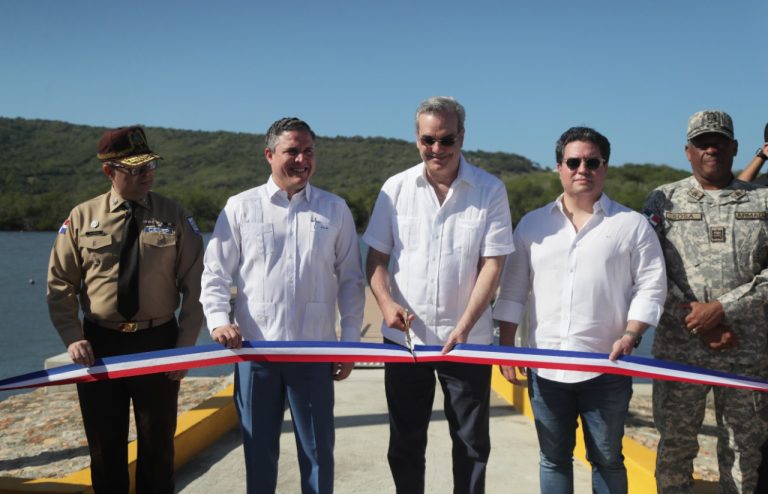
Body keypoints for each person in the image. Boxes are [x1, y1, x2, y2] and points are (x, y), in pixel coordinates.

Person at [492, 127, 667, 494]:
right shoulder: (532, 225)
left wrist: (633, 333)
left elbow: (651, 286)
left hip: (607, 365)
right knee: (553, 458)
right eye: (573, 161)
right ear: (559, 167)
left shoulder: (631, 225)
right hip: (546, 366)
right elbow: (512, 290)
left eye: (592, 161)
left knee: (606, 458)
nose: (581, 169)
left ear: (605, 167)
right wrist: (506, 347)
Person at [200, 117, 364, 494]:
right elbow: (215, 274)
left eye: (308, 151)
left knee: (319, 455)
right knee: (259, 455)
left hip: (314, 353)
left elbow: (352, 280)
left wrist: (351, 341)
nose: (302, 159)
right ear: (269, 154)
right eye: (292, 150)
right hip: (256, 354)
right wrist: (218, 321)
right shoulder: (240, 208)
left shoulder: (334, 209)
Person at [363, 96, 513, 493]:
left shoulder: (490, 190)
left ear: (462, 137)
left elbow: (492, 266)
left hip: (467, 341)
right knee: (406, 442)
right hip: (405, 340)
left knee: (471, 445)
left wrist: (464, 326)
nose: (437, 149)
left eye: (447, 140)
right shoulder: (394, 189)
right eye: (429, 140)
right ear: (417, 139)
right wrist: (386, 303)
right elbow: (376, 258)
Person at [47, 126, 205, 494]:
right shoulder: (82, 218)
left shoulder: (174, 215)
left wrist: (184, 346)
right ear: (109, 171)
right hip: (100, 345)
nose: (147, 174)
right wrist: (72, 338)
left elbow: (195, 287)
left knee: (158, 447)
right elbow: (59, 284)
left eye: (150, 166)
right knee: (105, 450)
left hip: (159, 342)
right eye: (136, 169)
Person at [644, 110, 768, 493]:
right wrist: (698, 321)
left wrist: (723, 310)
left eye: (718, 141)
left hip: (745, 348)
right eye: (701, 143)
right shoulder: (663, 199)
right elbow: (650, 270)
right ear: (687, 151)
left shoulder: (763, 198)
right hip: (680, 347)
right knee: (676, 448)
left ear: (734, 147)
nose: (710, 148)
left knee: (743, 452)